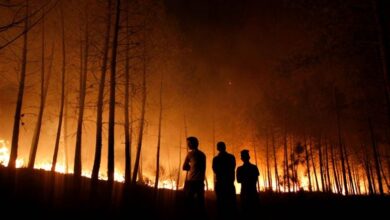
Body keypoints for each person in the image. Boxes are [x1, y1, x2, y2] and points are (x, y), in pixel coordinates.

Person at [212, 141, 237, 218]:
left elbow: (215, 170)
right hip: (229, 183)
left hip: (220, 183)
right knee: (231, 202)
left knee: (220, 202)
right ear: (225, 147)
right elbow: (233, 167)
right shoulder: (231, 157)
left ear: (217, 148)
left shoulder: (216, 159)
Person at [182, 136, 206, 213]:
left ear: (193, 144)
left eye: (189, 143)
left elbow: (184, 167)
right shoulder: (202, 154)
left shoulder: (190, 154)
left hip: (192, 181)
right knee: (200, 202)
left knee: (189, 201)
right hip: (200, 181)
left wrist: (189, 168)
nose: (188, 145)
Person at [236, 149, 259, 216]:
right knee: (254, 212)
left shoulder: (239, 169)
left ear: (241, 158)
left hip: (244, 192)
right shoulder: (254, 167)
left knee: (245, 211)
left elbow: (238, 181)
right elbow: (255, 180)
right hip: (253, 192)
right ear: (249, 157)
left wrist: (245, 179)